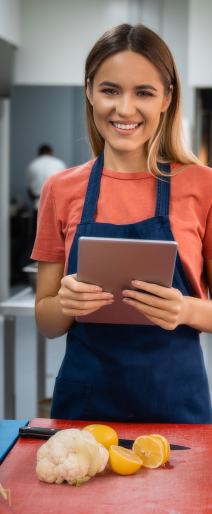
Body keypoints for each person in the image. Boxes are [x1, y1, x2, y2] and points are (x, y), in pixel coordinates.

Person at [32, 24, 212, 424]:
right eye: (110, 90)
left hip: (178, 404)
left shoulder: (203, 185)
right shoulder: (60, 189)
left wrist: (184, 310)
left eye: (143, 92)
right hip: (86, 407)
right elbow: (46, 322)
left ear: (167, 97)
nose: (125, 109)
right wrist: (65, 303)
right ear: (90, 91)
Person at [26, 144, 66, 243]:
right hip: (56, 205)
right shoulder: (59, 164)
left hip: (38, 205)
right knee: (56, 239)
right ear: (51, 153)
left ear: (38, 154)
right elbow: (65, 187)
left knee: (38, 238)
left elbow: (29, 189)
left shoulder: (32, 165)